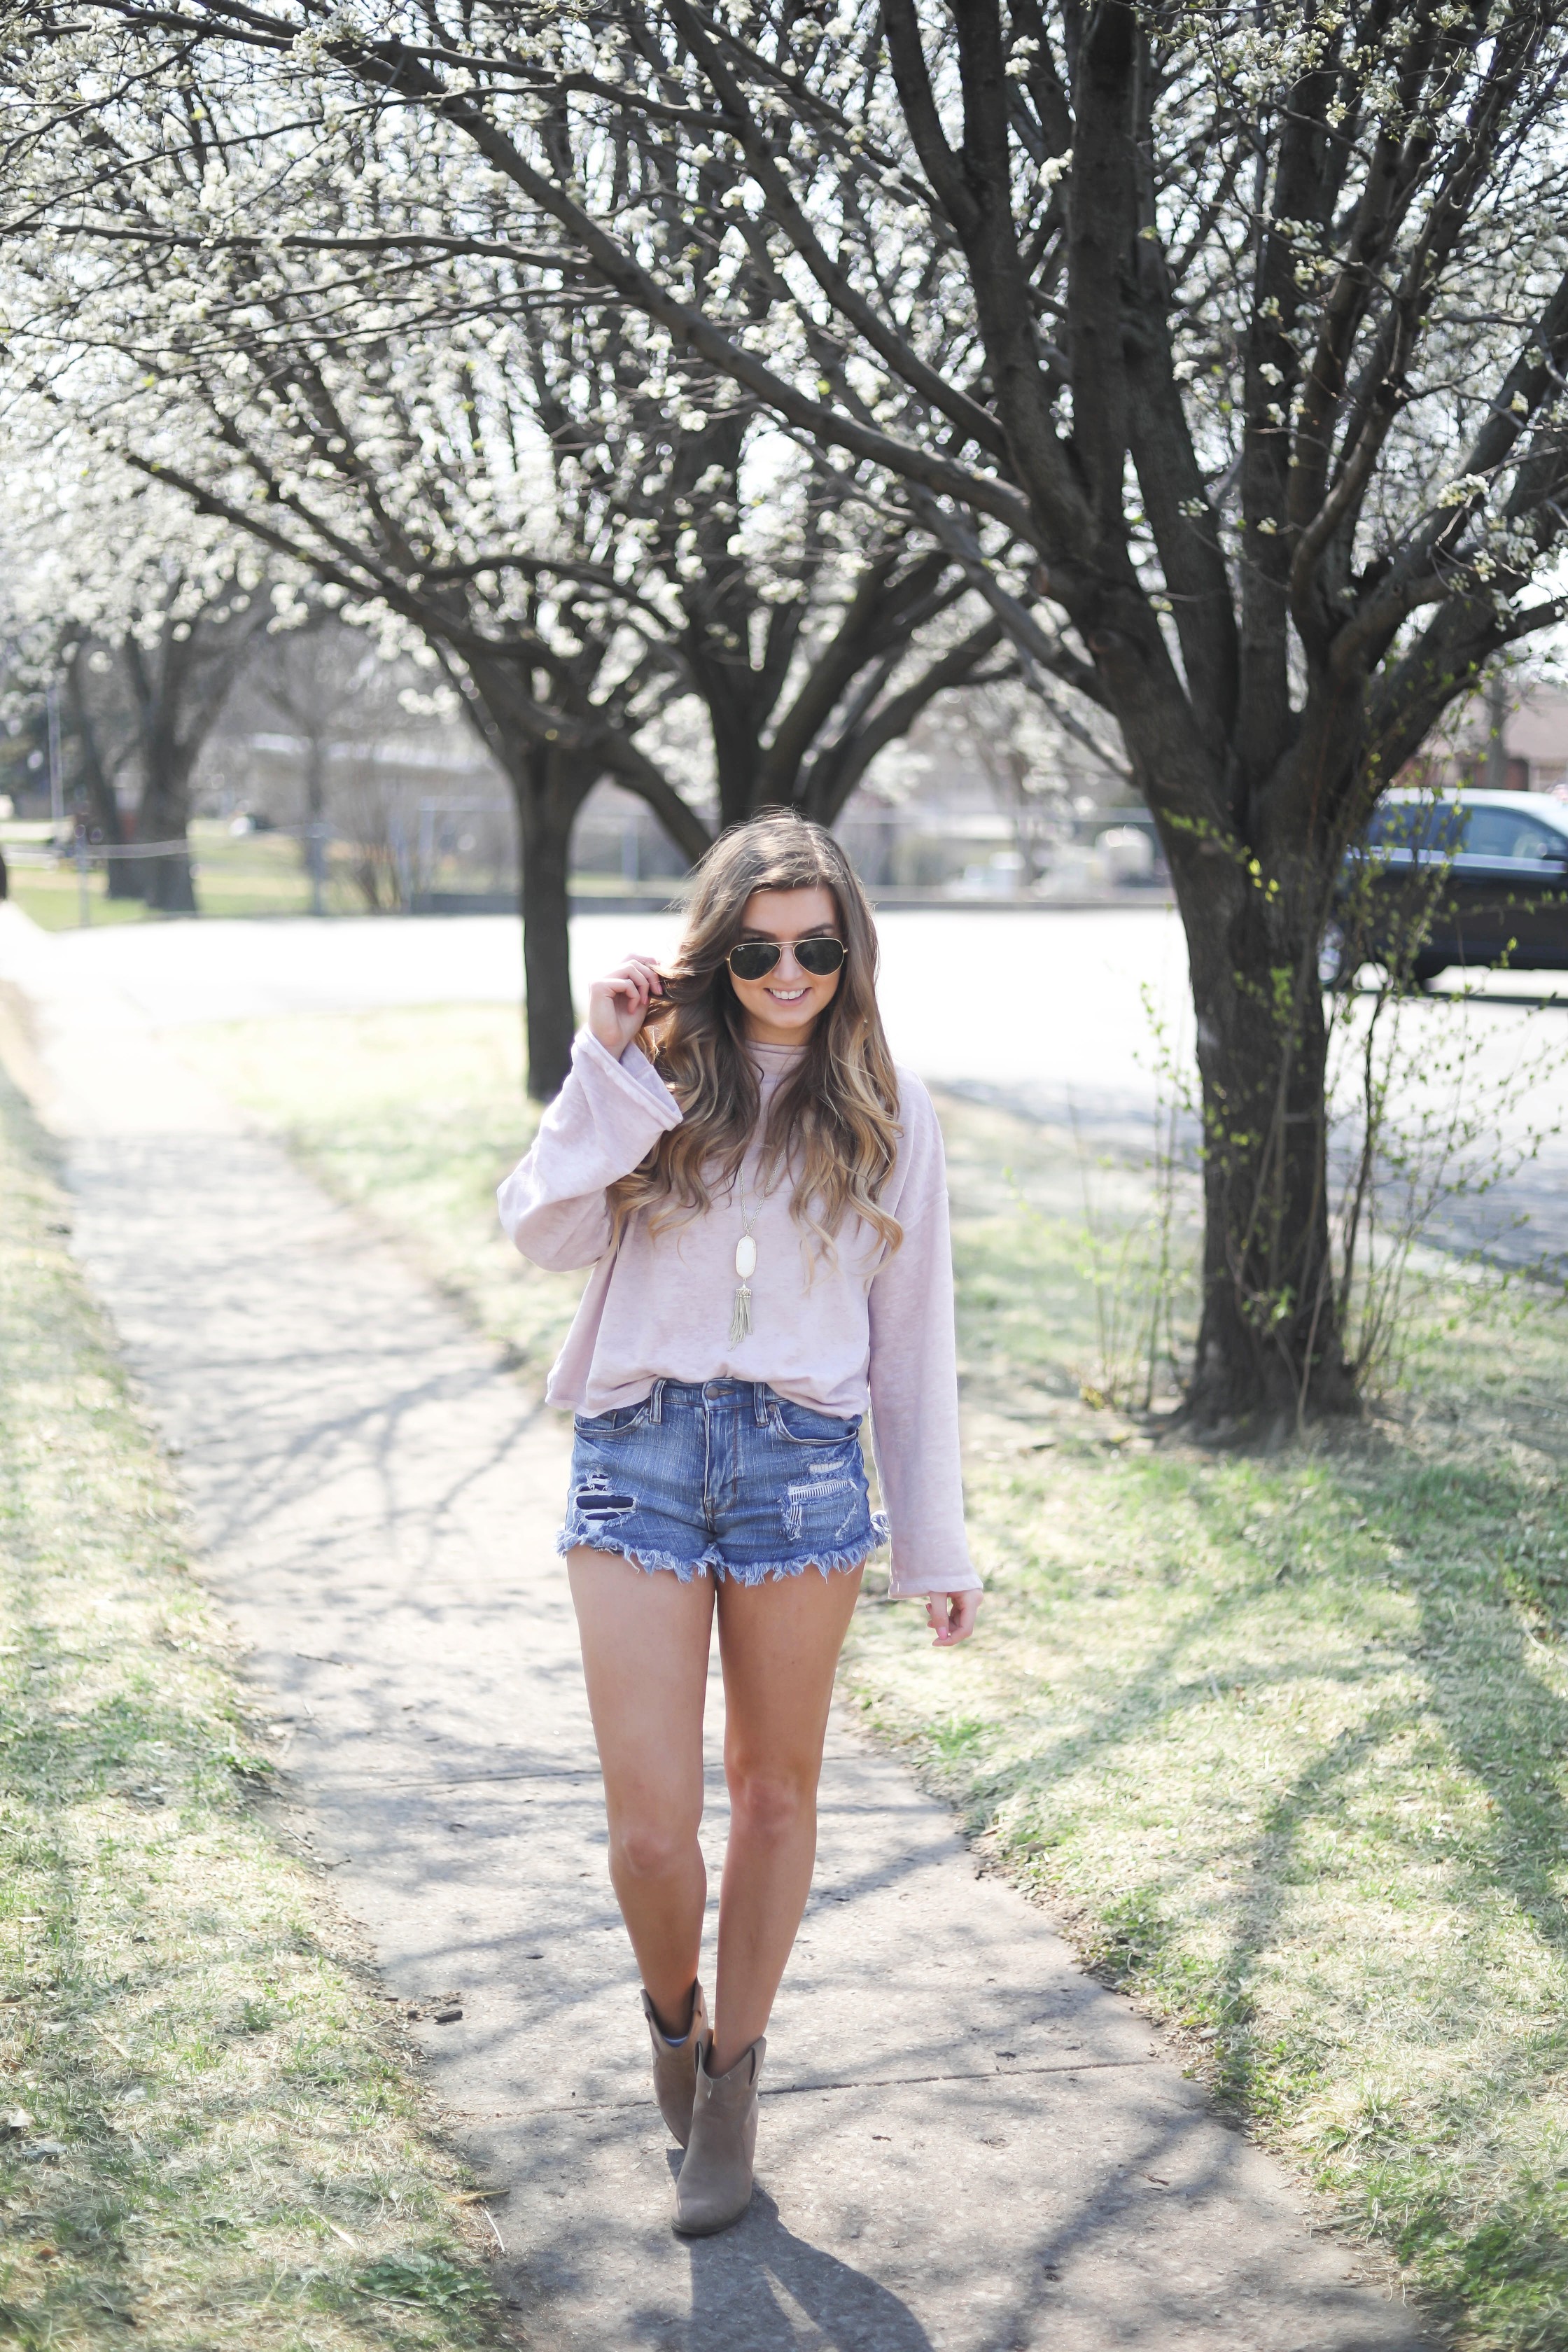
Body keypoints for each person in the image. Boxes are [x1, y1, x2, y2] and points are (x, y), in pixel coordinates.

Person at [497, 811, 980, 2236]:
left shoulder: (888, 1102)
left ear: (850, 952)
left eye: (817, 947)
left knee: (775, 1793)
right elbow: (538, 1230)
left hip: (801, 1468)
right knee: (652, 1834)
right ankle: (669, 2023)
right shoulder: (652, 1075)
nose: (788, 972)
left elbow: (913, 1341)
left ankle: (732, 2088)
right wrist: (610, 1063)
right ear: (718, 948)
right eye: (759, 947)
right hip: (638, 1453)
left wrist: (934, 1543)